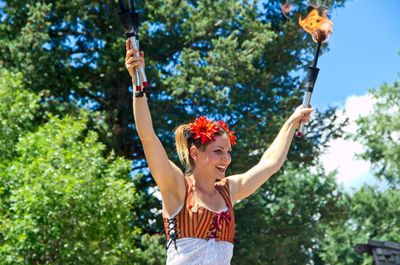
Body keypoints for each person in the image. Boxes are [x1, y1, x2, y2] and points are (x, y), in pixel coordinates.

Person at [125, 39, 313, 265]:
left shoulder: (228, 190)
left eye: (228, 151)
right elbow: (147, 135)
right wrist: (138, 81)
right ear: (195, 153)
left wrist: (291, 123)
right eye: (218, 151)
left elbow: (270, 163)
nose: (226, 158)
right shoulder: (177, 187)